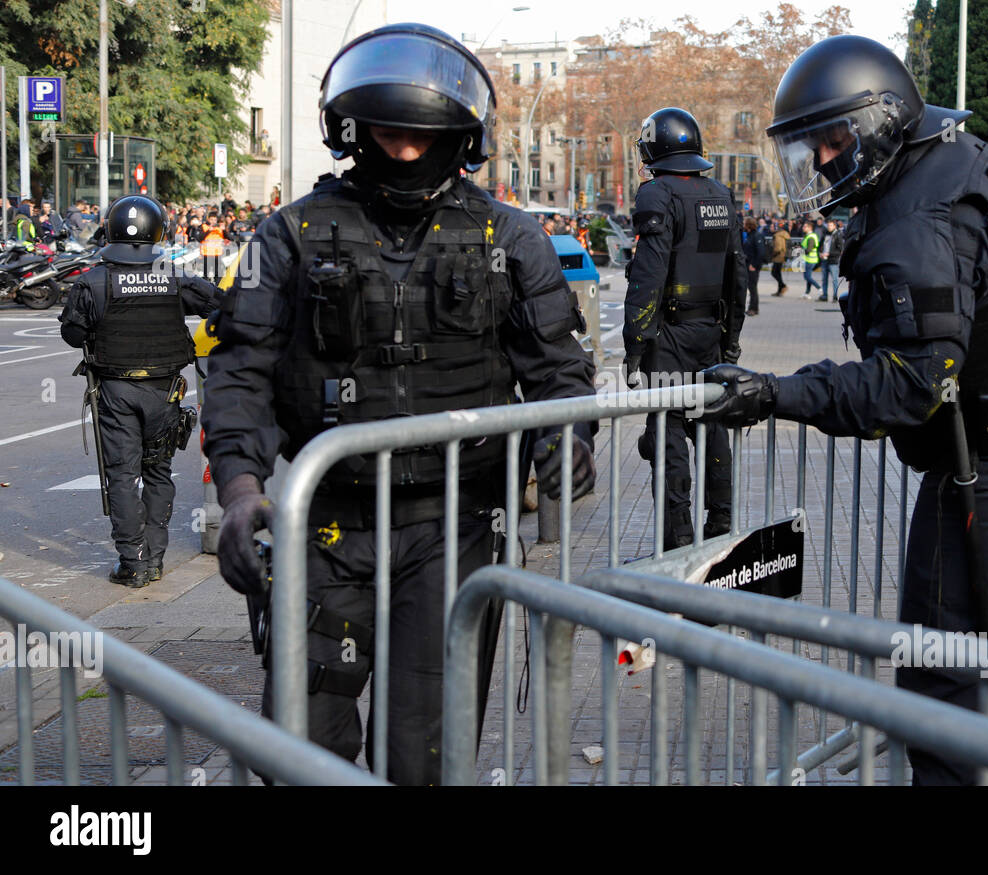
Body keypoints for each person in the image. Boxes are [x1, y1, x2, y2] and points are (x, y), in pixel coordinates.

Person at [700, 35, 988, 785]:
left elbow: (911, 383)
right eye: (811, 147)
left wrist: (774, 393)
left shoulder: (914, 223)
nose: (823, 161)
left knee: (941, 679)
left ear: (882, 123)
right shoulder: (962, 159)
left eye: (833, 140)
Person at [201, 23, 596, 786]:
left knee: (424, 756)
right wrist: (241, 490)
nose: (405, 150)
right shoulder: (288, 236)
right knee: (301, 750)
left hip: (454, 532)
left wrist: (566, 436)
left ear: (459, 134)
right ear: (354, 127)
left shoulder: (510, 238)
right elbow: (241, 371)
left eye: (423, 133)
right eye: (389, 130)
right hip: (327, 531)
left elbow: (559, 371)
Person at [58, 195, 218, 587]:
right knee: (158, 471)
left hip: (115, 392)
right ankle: (156, 560)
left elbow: (72, 333)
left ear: (111, 229)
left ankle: (134, 562)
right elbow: (223, 305)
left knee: (123, 476)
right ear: (157, 229)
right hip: (165, 392)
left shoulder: (93, 279)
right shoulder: (176, 275)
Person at [622, 106, 746, 550]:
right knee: (711, 424)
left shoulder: (656, 194)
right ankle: (721, 527)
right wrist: (731, 339)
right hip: (709, 332)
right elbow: (738, 272)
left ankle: (678, 540)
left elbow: (647, 277)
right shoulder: (720, 194)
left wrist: (634, 345)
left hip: (669, 337)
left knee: (667, 432)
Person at [741, 216, 762, 316]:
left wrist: (753, 264)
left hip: (752, 266)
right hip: (748, 264)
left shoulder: (757, 236)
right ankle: (752, 308)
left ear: (748, 225)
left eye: (744, 222)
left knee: (752, 288)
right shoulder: (749, 235)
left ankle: (753, 308)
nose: (743, 224)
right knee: (751, 287)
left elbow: (760, 252)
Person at [819, 218, 842, 301]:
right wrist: (820, 253)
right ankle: (824, 296)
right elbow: (820, 245)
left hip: (833, 260)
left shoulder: (838, 235)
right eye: (828, 225)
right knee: (824, 279)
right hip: (824, 259)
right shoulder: (825, 234)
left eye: (831, 225)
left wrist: (829, 254)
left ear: (834, 226)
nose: (829, 227)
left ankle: (835, 296)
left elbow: (840, 250)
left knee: (834, 279)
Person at [799, 220, 821, 299]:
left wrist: (799, 251)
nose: (803, 228)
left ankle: (819, 288)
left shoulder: (811, 237)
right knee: (808, 276)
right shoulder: (809, 236)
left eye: (805, 226)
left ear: (810, 228)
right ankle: (807, 292)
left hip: (810, 260)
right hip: (809, 259)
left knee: (807, 277)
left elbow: (809, 250)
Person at [770, 221, 790, 296]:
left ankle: (783, 286)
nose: (770, 228)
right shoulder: (783, 234)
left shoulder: (777, 235)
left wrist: (772, 254)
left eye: (772, 227)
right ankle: (780, 290)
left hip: (778, 257)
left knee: (774, 273)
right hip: (782, 256)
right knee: (778, 273)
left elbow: (777, 248)